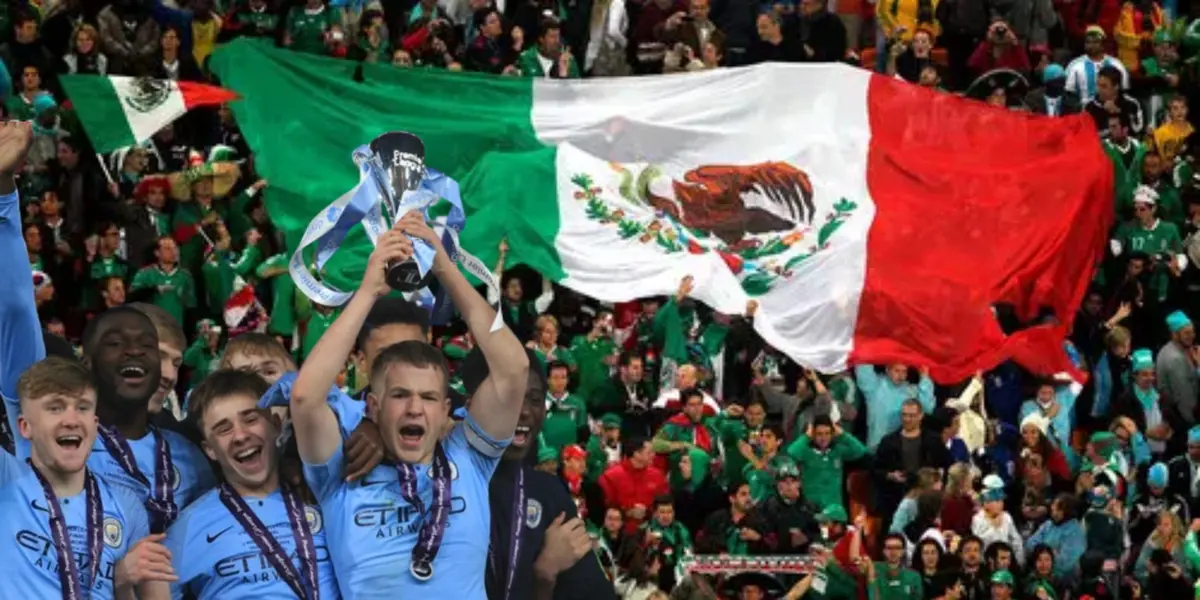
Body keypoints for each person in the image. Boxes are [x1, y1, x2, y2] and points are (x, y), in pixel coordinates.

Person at [290, 211, 528, 597]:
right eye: (400, 395)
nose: (415, 408)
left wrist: (445, 268)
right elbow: (304, 397)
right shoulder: (340, 471)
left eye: (429, 397)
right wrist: (367, 292)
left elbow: (513, 369)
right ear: (372, 407)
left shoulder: (470, 458)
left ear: (446, 410)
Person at [0, 355, 175, 599]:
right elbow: (16, 316)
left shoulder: (126, 503)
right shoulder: (6, 478)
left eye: (82, 407)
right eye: (55, 408)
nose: (71, 420)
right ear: (24, 426)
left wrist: (121, 582)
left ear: (94, 424)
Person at [165, 369, 340, 599]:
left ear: (276, 425)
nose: (240, 436)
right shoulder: (186, 529)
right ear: (210, 450)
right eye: (223, 429)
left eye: (250, 418)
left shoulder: (323, 495)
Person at [471, 346, 615, 600]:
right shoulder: (437, 487)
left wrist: (544, 578)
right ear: (473, 402)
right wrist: (542, 580)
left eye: (535, 399)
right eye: (508, 396)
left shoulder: (548, 493)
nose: (524, 410)